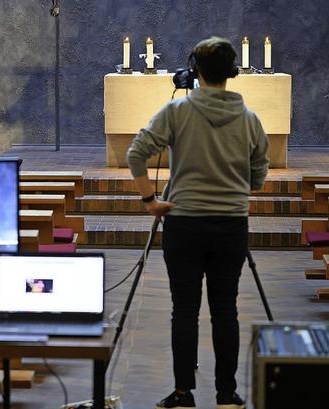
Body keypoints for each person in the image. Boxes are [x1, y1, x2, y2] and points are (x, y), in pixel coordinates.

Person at [126, 37, 269, 409]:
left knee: (184, 310)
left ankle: (183, 393)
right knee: (226, 310)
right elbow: (257, 178)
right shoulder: (250, 119)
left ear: (195, 71)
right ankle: (226, 394)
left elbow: (137, 152)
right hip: (231, 226)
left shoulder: (177, 113)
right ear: (232, 73)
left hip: (184, 224)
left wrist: (149, 200)